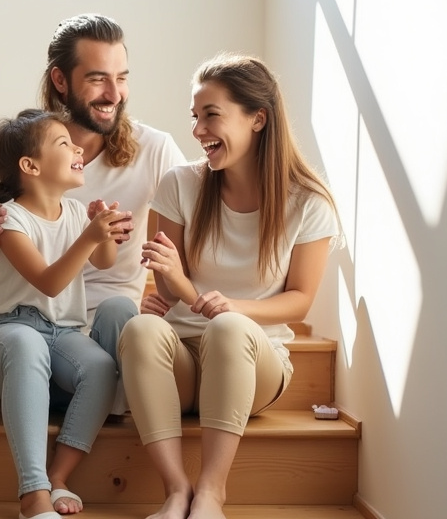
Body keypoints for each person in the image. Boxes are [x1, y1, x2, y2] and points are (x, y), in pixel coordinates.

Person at [118, 53, 342, 519]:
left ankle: (212, 493)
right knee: (138, 330)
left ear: (257, 118)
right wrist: (181, 289)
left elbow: (299, 301)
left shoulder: (308, 202)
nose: (198, 130)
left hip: (253, 362)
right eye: (195, 117)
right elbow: (167, 285)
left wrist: (220, 303)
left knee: (230, 328)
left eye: (211, 115)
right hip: (182, 361)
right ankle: (176, 490)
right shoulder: (179, 184)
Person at [0, 14, 187, 427]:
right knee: (30, 348)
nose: (115, 93)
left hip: (112, 334)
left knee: (117, 312)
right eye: (97, 79)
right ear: (61, 81)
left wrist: (172, 298)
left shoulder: (156, 150)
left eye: (122, 77)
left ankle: (84, 411)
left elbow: (195, 241)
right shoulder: (20, 152)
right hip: (34, 328)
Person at [0, 109, 130, 519]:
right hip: (6, 335)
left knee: (100, 368)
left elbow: (106, 261)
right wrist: (90, 236)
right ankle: (33, 493)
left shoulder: (76, 213)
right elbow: (49, 282)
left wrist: (102, 228)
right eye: (64, 143)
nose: (78, 148)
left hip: (63, 332)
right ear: (30, 166)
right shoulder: (9, 220)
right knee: (25, 345)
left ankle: (59, 476)